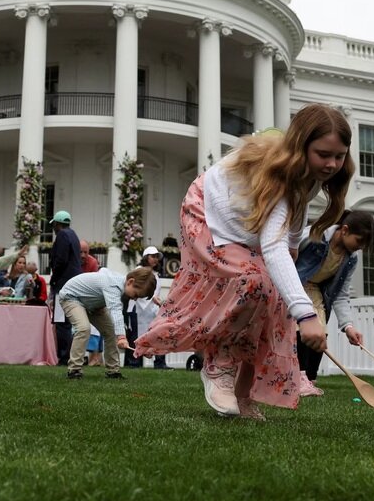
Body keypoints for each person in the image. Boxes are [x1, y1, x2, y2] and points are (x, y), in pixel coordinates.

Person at [135, 104, 354, 420]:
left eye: (339, 155)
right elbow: (274, 240)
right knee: (256, 281)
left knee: (275, 298)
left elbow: (296, 213)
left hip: (247, 228)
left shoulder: (309, 175)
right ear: (301, 147)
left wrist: (293, 246)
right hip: (206, 214)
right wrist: (306, 314)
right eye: (323, 154)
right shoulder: (283, 175)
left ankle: (244, 393)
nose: (332, 164)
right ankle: (218, 367)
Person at [294, 210, 374, 396]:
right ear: (344, 230)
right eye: (359, 241)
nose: (360, 247)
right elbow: (283, 255)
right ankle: (298, 377)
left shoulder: (350, 259)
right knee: (300, 329)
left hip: (314, 290)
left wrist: (348, 327)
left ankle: (309, 379)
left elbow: (341, 294)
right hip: (293, 285)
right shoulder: (312, 236)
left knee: (320, 332)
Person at [61, 266, 157, 380]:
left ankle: (113, 371)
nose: (135, 299)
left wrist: (119, 335)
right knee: (83, 328)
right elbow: (116, 311)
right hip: (71, 297)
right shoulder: (113, 286)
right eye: (136, 295)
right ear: (131, 281)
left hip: (93, 304)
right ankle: (74, 370)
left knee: (111, 331)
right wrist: (122, 337)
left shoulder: (122, 285)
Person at [126, 246, 171, 369]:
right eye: (153, 256)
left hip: (152, 310)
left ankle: (160, 362)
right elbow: (136, 289)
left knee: (158, 334)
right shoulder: (138, 270)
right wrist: (153, 298)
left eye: (157, 257)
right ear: (146, 257)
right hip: (137, 308)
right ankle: (134, 362)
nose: (155, 259)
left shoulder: (156, 274)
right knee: (135, 336)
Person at [48, 210, 82, 366]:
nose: (53, 229)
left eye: (54, 225)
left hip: (63, 284)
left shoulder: (62, 235)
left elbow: (60, 260)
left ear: (57, 223)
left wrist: (53, 279)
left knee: (62, 322)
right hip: (73, 282)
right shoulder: (73, 234)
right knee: (69, 322)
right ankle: (69, 356)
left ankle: (63, 357)